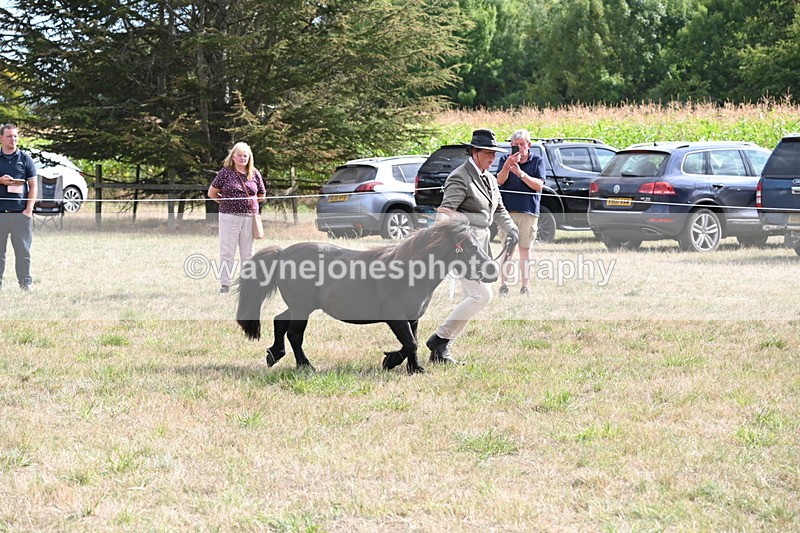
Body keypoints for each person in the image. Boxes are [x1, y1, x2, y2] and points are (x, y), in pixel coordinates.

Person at [425, 129, 518, 365]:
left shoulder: (488, 177)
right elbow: (445, 213)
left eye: (494, 153)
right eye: (488, 153)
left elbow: (498, 210)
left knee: (472, 296)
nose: (493, 157)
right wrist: (456, 242)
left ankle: (442, 350)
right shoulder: (460, 177)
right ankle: (439, 339)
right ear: (474, 152)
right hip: (464, 246)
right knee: (482, 295)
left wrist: (511, 229)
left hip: (482, 243)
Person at [207, 142, 266, 293]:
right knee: (227, 251)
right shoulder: (226, 173)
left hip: (248, 218)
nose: (242, 158)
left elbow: (262, 194)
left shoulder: (254, 173)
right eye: (239, 155)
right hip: (229, 217)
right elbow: (212, 193)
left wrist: (250, 203)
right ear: (233, 157)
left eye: (245, 155)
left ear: (249, 157)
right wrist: (226, 203)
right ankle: (225, 285)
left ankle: (246, 285)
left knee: (248, 253)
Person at [496, 129, 545, 296]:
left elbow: (538, 186)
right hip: (507, 213)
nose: (519, 148)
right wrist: (507, 167)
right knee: (507, 249)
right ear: (511, 146)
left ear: (529, 145)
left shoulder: (537, 161)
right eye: (515, 145)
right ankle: (504, 286)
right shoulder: (504, 160)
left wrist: (521, 174)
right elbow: (499, 181)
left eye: (522, 144)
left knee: (525, 249)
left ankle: (525, 286)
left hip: (528, 212)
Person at [0, 124, 38, 291]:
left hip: (20, 215)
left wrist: (28, 209)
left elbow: (34, 186)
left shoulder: (25, 158)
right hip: (0, 214)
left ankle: (26, 283)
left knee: (23, 252)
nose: (13, 139)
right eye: (9, 136)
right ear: (1, 138)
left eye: (15, 136)